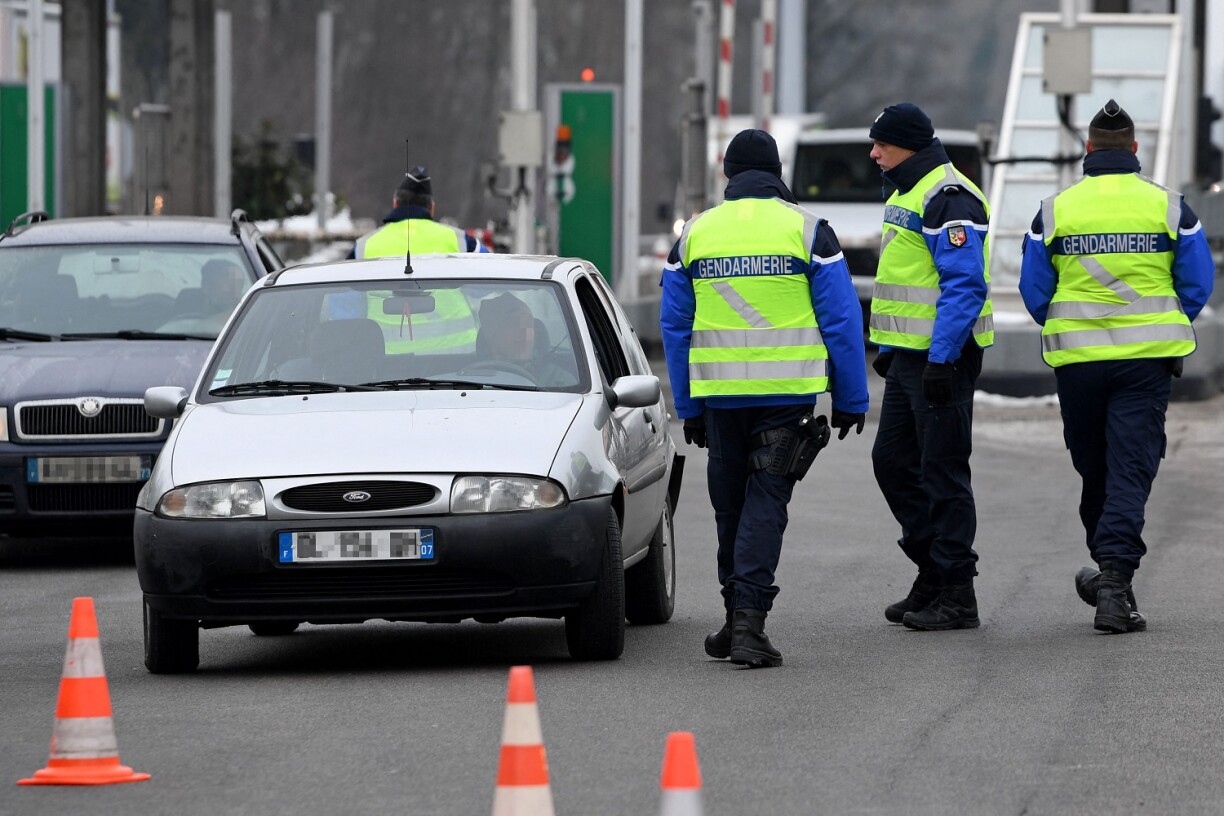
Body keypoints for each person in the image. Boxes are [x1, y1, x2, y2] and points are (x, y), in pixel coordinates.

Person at [660, 128, 869, 668]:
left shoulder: (695, 236)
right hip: (786, 396)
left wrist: (687, 407)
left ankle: (736, 620)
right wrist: (850, 397)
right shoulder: (809, 232)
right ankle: (748, 624)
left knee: (729, 507)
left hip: (720, 398)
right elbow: (842, 321)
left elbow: (675, 327)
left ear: (727, 173)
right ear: (778, 172)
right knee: (766, 502)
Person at [1018, 99, 1215, 633]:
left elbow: (1035, 291)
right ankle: (1113, 578)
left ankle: (1111, 573)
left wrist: (1067, 320)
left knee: (1096, 467)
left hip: (1078, 362)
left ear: (1087, 151)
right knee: (1130, 467)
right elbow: (1197, 283)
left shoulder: (1054, 209)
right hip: (1145, 362)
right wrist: (1163, 320)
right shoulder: (1171, 207)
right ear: (1134, 151)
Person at [867, 102, 993, 631]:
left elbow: (964, 285)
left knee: (942, 471)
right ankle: (934, 571)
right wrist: (893, 348)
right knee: (893, 463)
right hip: (911, 358)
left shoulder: (949, 196)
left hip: (943, 360)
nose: (874, 154)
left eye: (883, 145)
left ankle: (957, 594)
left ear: (909, 146)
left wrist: (941, 358)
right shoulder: (907, 191)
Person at [351, 166, 489, 258]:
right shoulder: (462, 241)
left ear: (395, 204)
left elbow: (341, 298)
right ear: (432, 208)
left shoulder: (363, 247)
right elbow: (490, 280)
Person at [475, 292, 572, 387]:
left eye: (529, 324)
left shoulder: (558, 379)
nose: (525, 332)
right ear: (492, 334)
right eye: (514, 324)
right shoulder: (469, 378)